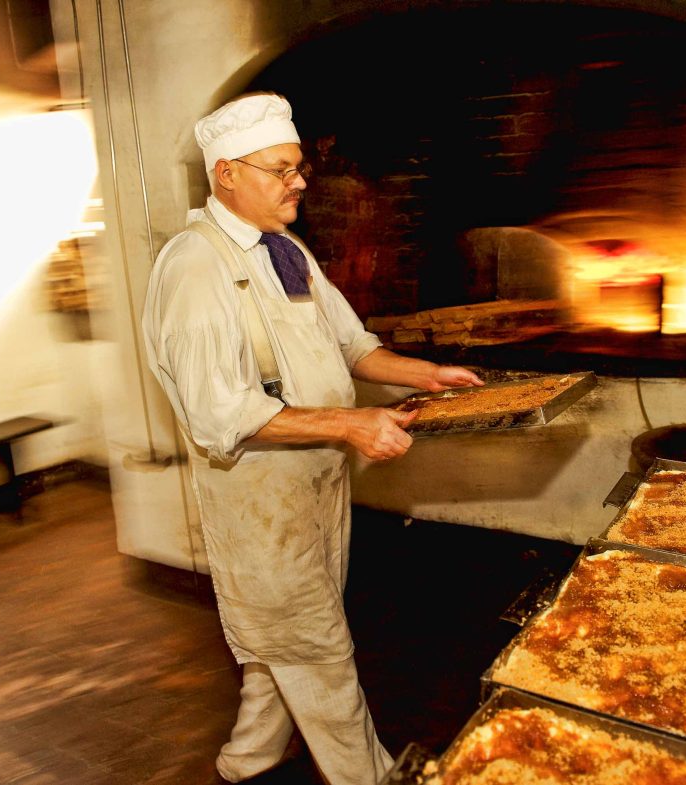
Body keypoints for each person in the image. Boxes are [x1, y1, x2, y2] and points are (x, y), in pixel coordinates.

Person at [141, 92, 482, 785]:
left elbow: (353, 346)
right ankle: (374, 776)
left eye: (299, 167)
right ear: (226, 173)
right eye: (281, 169)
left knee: (286, 632)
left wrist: (429, 373)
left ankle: (249, 757)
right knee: (318, 648)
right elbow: (219, 413)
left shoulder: (287, 251)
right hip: (257, 500)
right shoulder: (193, 268)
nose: (300, 181)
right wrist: (353, 423)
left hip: (318, 488)